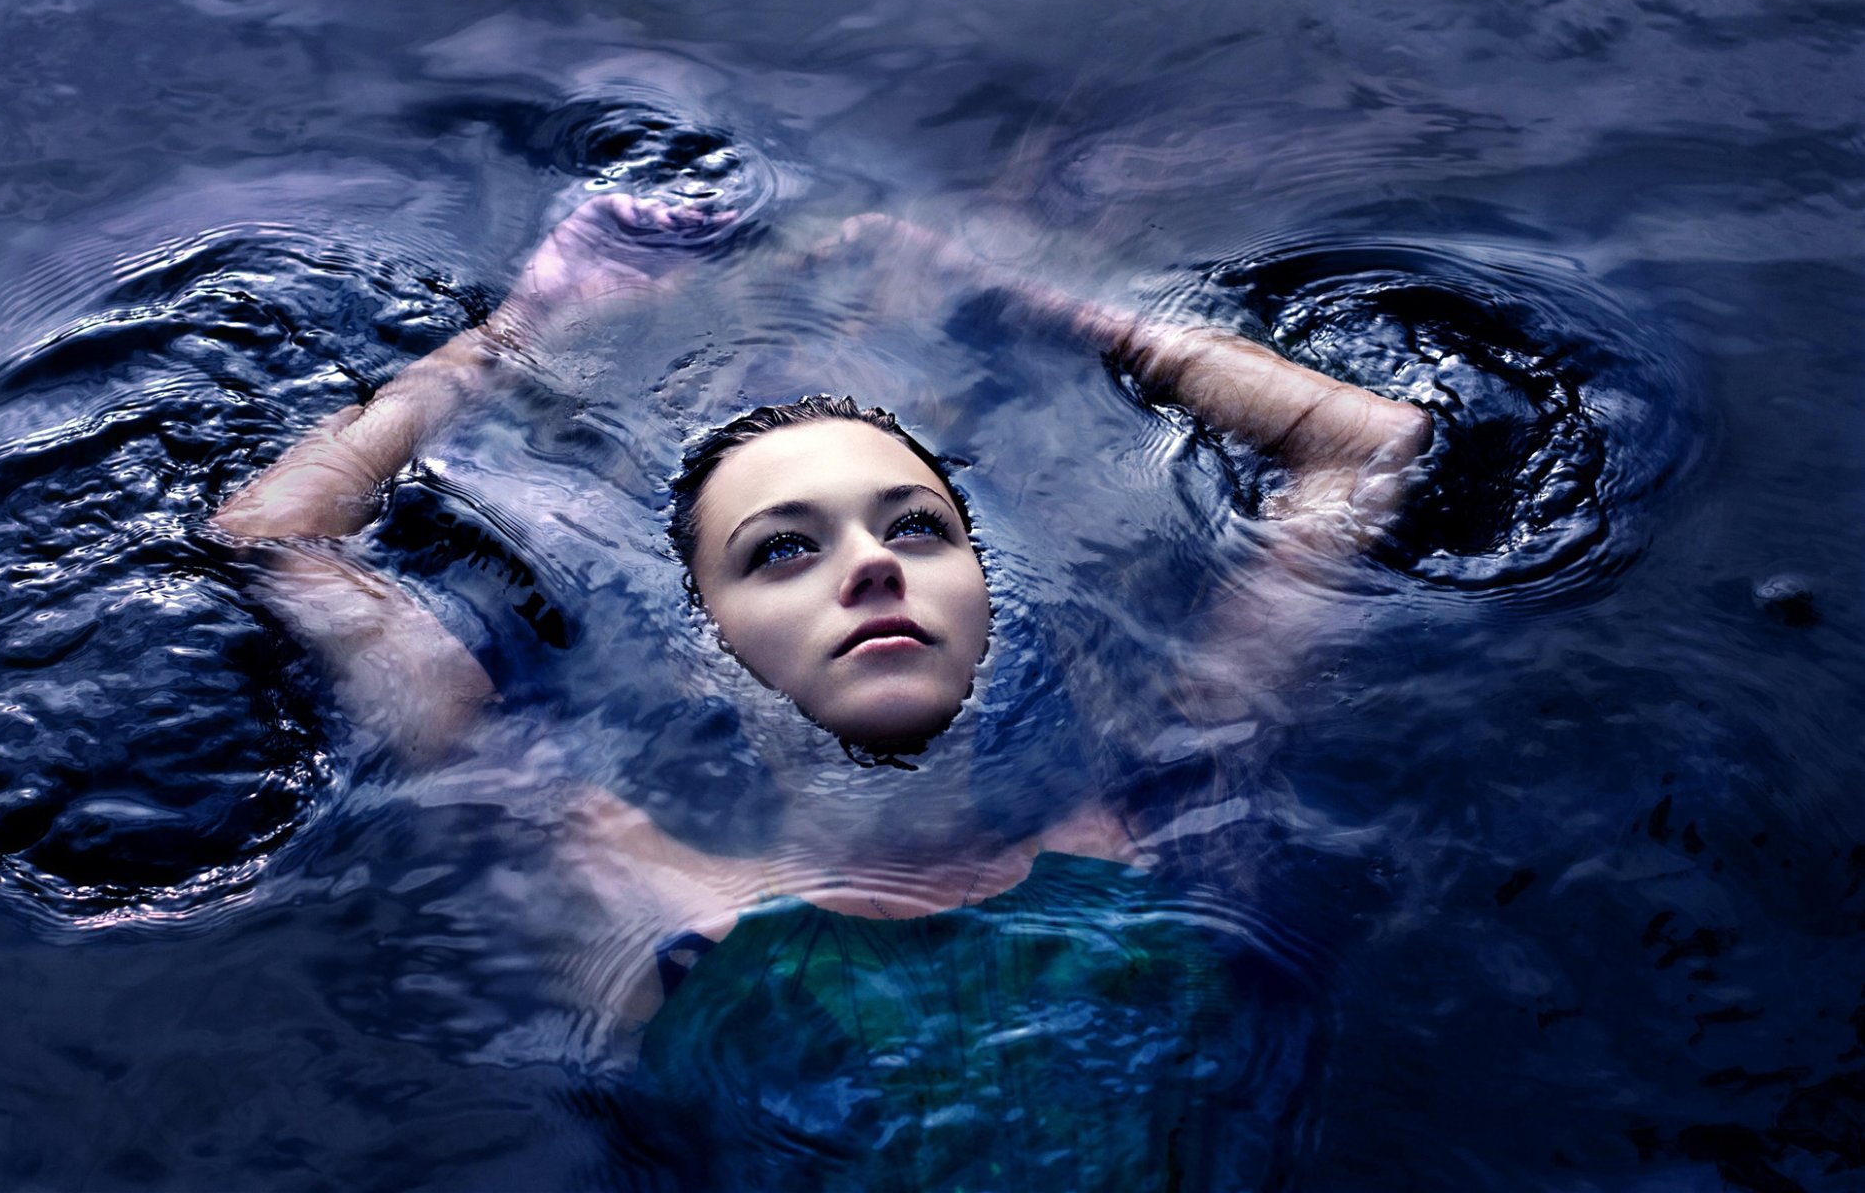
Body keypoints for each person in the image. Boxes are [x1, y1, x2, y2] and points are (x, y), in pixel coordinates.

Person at [212, 191, 1430, 1189]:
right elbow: (274, 541)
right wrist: (521, 330)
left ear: (985, 593)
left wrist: (1016, 297)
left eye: (916, 528)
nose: (872, 564)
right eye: (781, 549)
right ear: (708, 643)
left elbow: (1363, 448)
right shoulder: (634, 895)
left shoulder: (1164, 814)